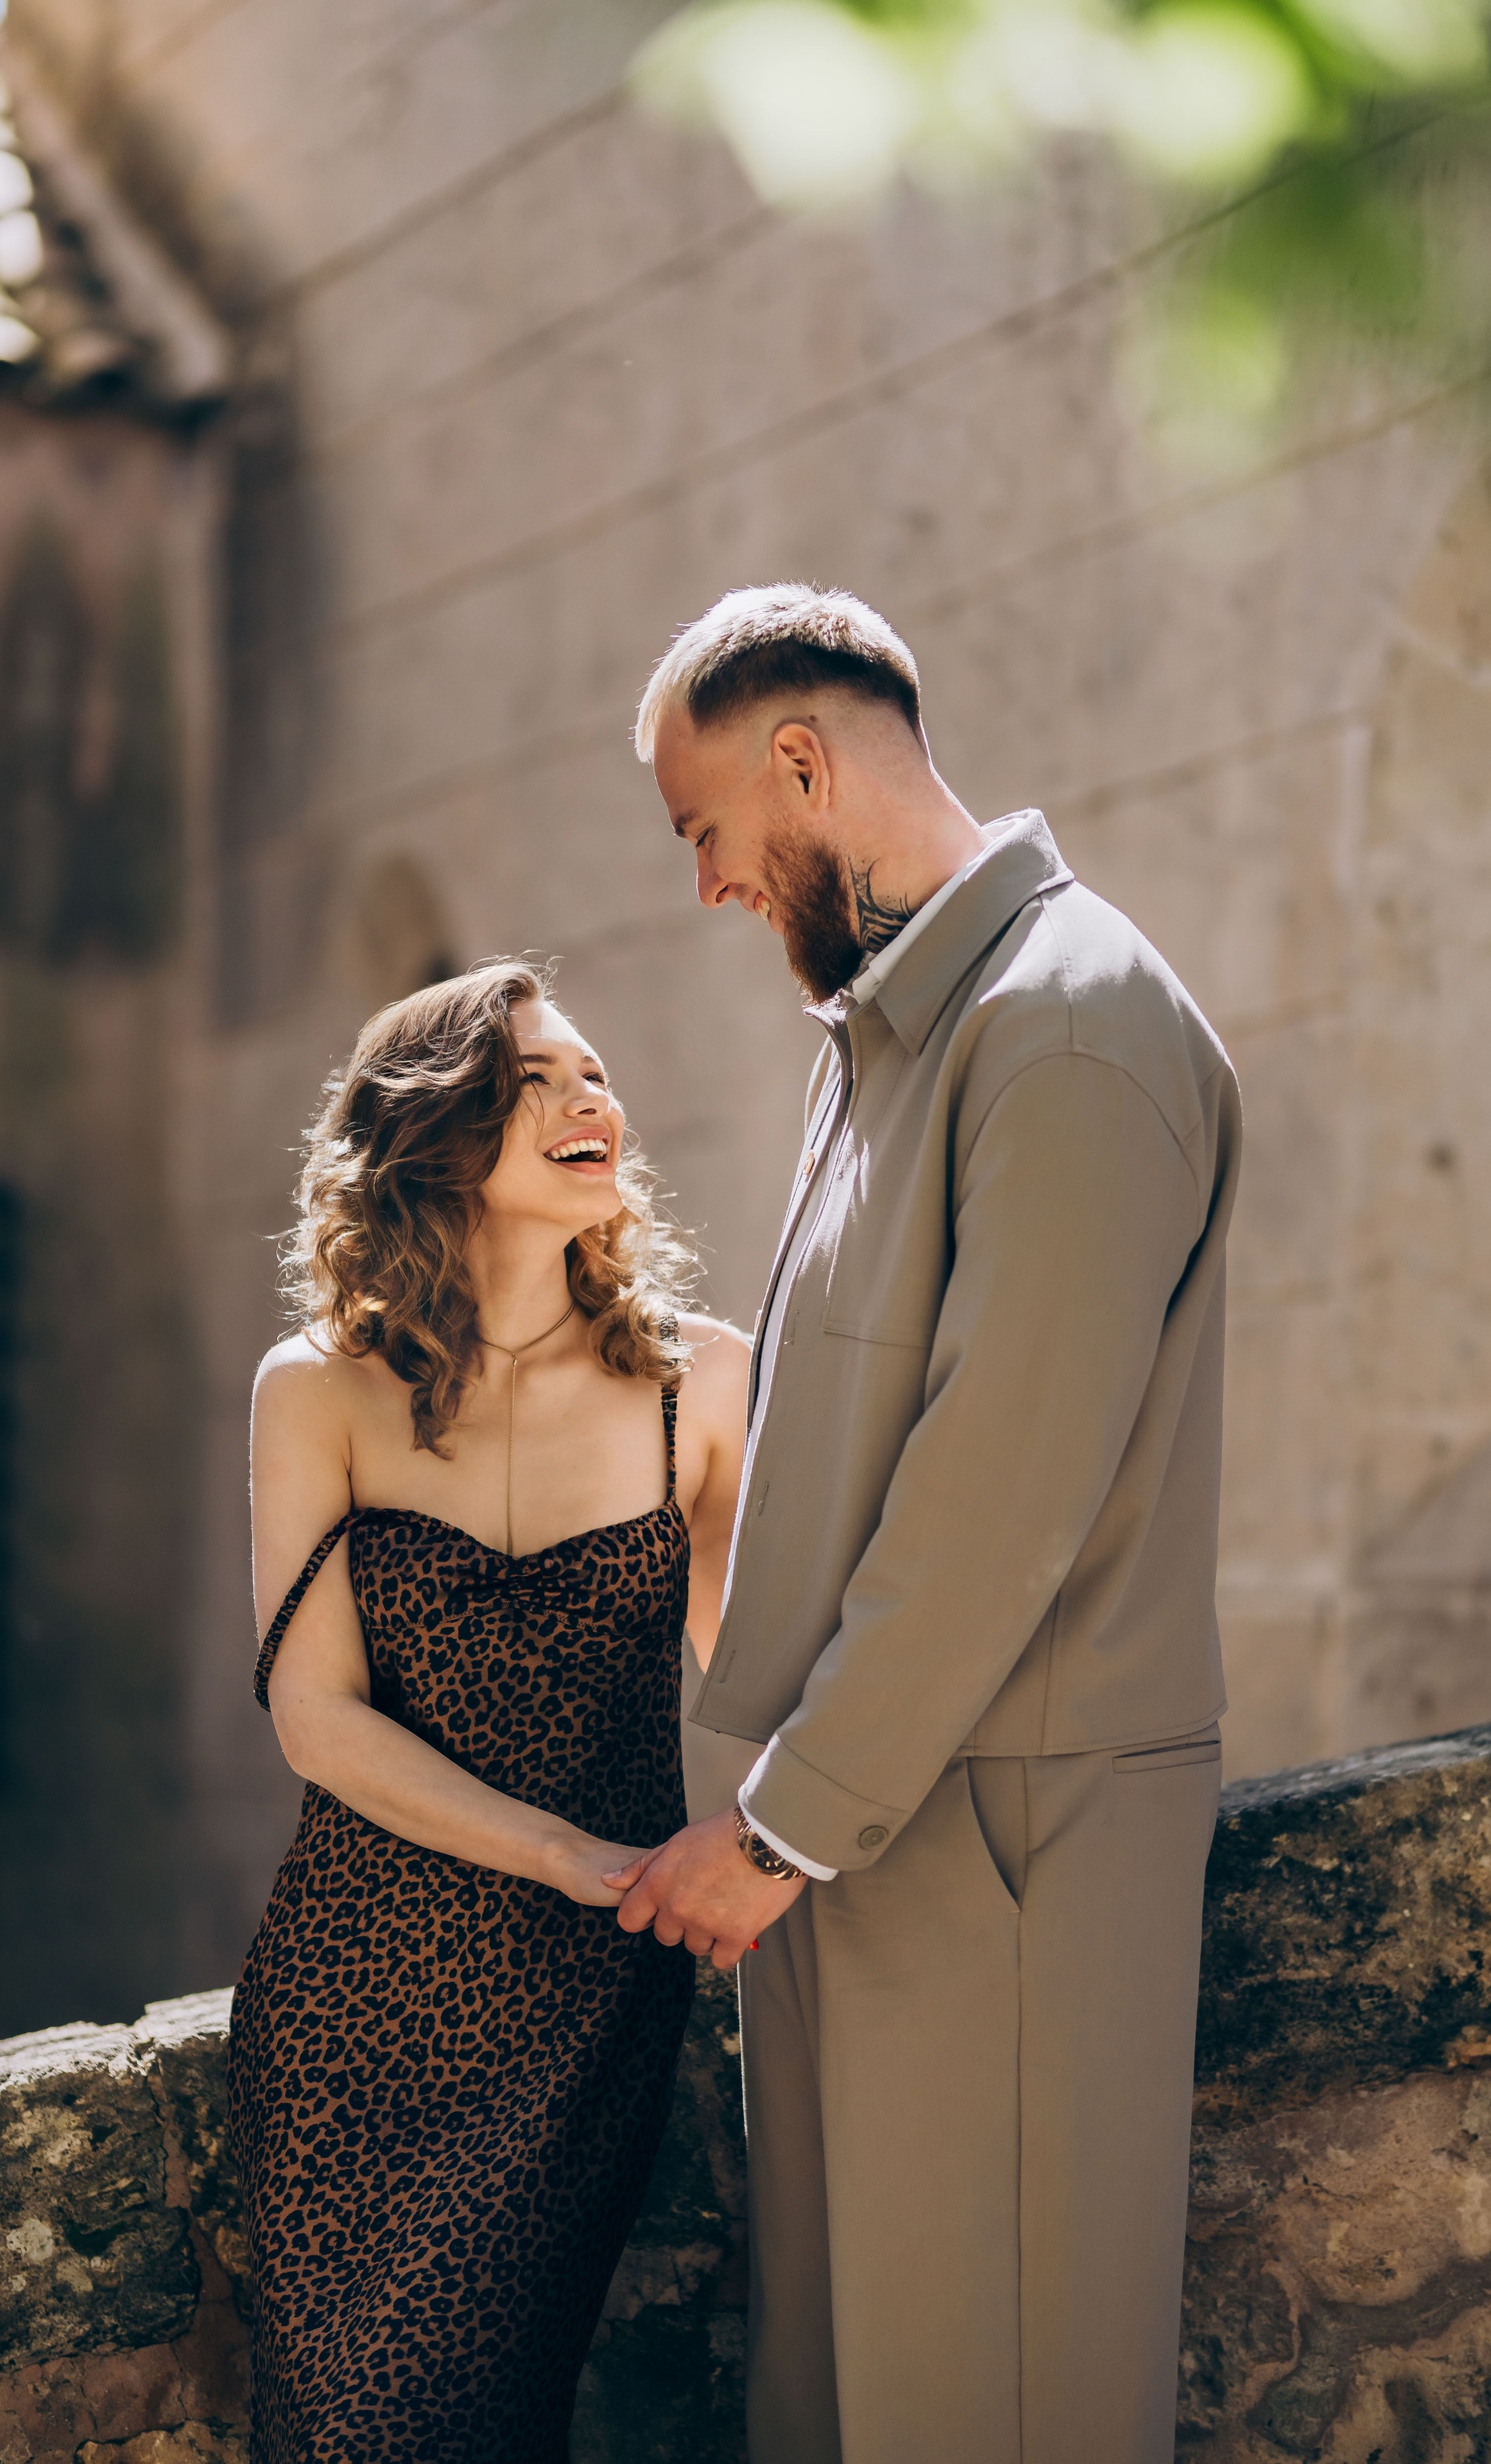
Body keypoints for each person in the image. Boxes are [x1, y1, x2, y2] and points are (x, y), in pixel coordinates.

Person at [613, 585, 1242, 2464]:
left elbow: (998, 1498)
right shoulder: (891, 1042)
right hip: (868, 1860)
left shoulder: (1066, 1029)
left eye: (707, 828)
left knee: (994, 2406)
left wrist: (786, 1825)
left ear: (802, 763)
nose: (711, 885)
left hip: (989, 1863)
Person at [226, 960, 750, 2464]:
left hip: (586, 2012)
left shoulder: (697, 1386)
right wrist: (575, 1858)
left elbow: (767, 1664)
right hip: (354, 1996)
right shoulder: (314, 1388)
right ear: (435, 1133)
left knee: (484, 2418)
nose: (593, 1100)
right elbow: (316, 1719)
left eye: (594, 1074)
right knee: (343, 2430)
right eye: (538, 1079)